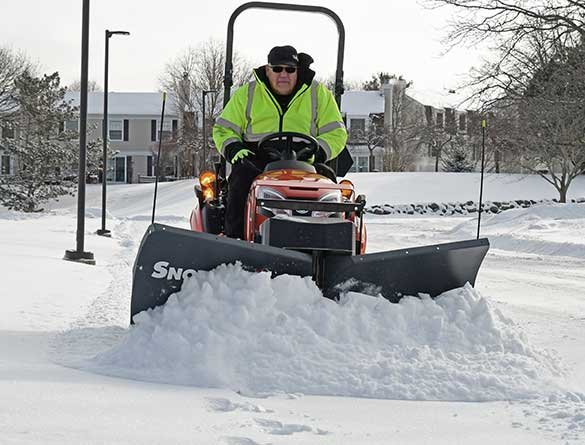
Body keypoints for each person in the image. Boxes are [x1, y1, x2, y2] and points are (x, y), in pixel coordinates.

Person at [212, 45, 348, 239]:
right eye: (277, 69)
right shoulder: (248, 93)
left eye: (290, 69)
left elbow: (336, 131)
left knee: (327, 179)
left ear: (297, 71)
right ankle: (237, 240)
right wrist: (234, 148)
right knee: (241, 178)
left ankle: (331, 241)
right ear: (268, 70)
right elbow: (224, 128)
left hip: (305, 162)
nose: (283, 74)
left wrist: (320, 151)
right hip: (257, 160)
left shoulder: (318, 94)